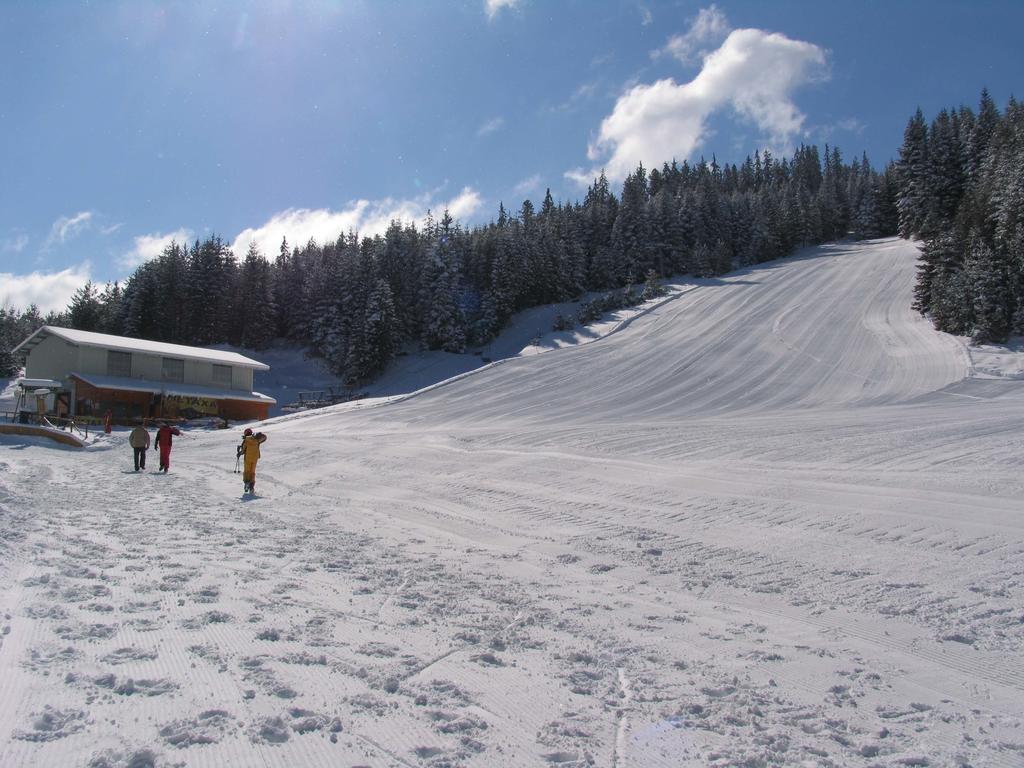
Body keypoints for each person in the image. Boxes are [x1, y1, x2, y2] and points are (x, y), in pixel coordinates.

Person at [237, 427, 267, 494]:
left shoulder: (246, 440)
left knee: (247, 471)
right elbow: (265, 438)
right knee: (252, 472)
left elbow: (243, 450)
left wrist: (239, 453)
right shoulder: (257, 439)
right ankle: (251, 486)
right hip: (255, 458)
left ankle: (247, 483)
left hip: (248, 458)